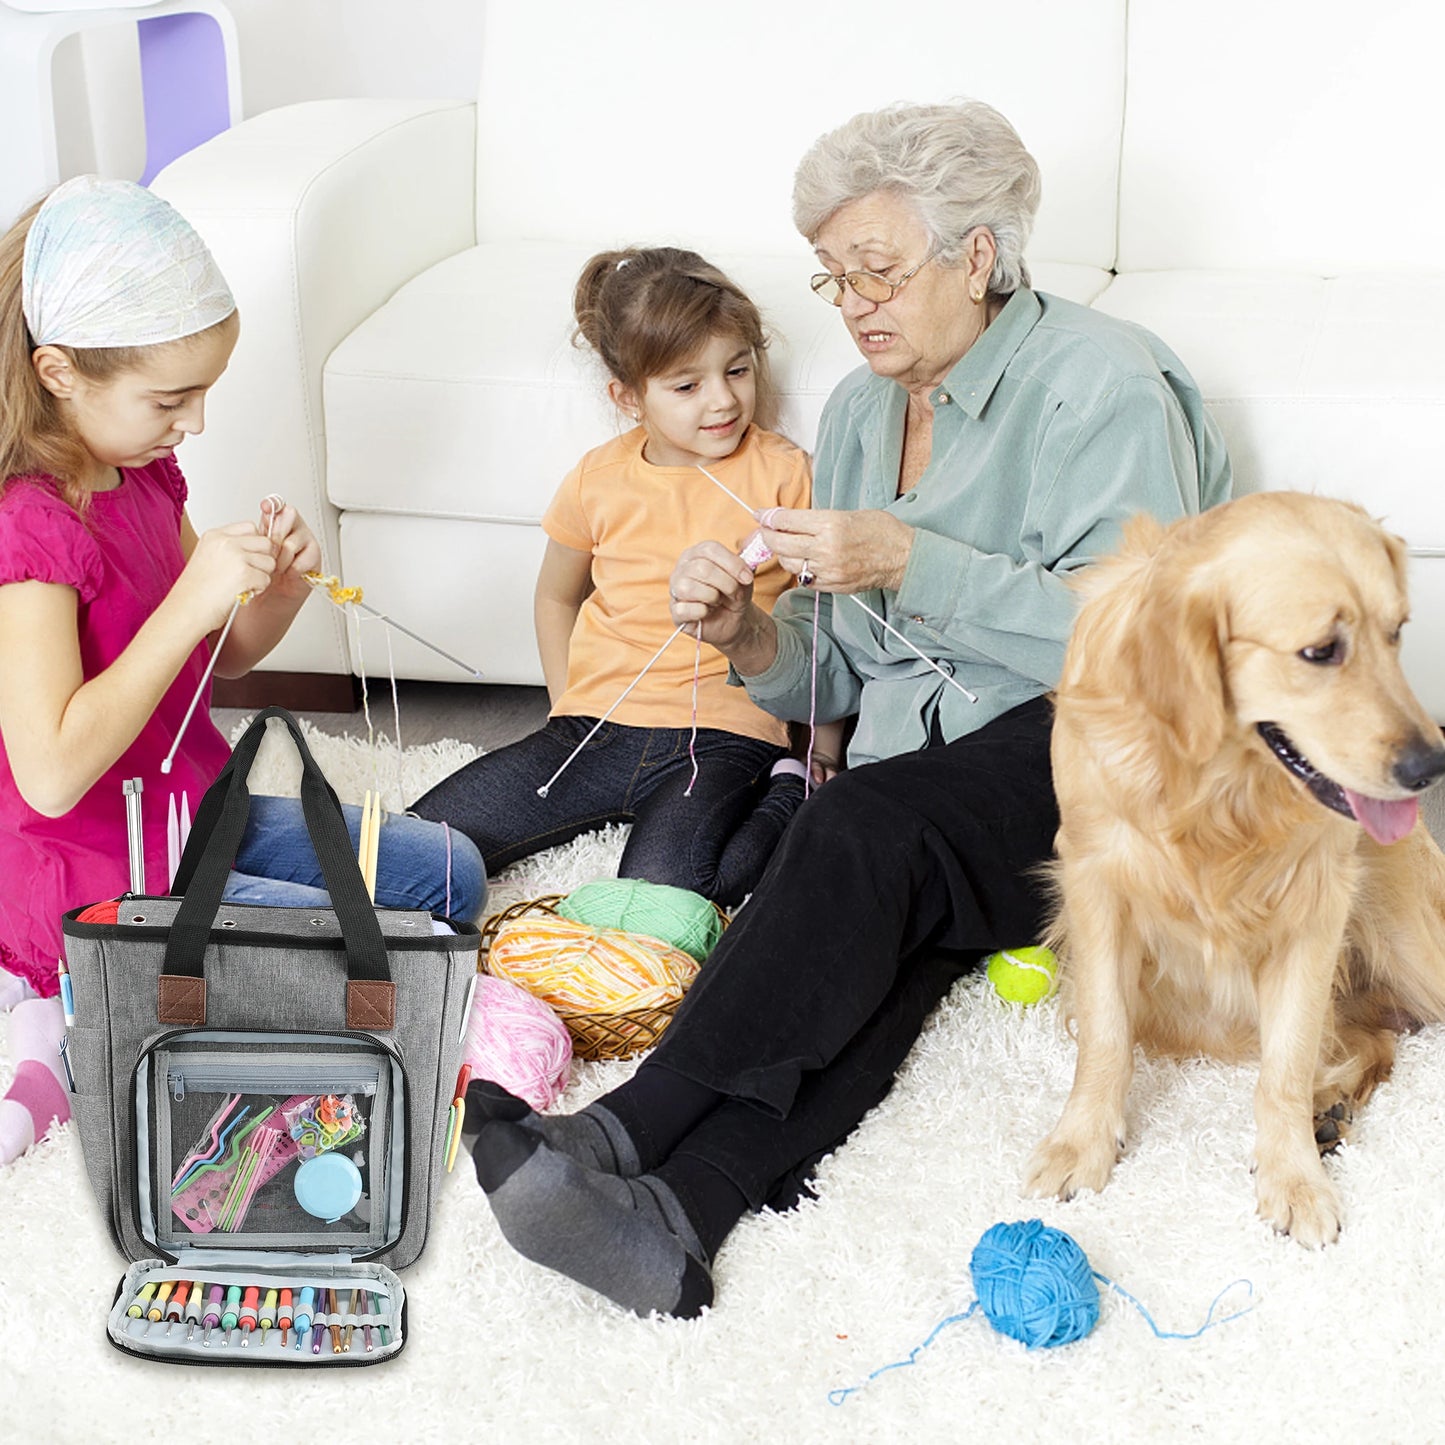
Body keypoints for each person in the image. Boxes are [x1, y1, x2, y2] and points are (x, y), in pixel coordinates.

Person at [465, 100, 1233, 1319]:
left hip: (1097, 736)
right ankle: (680, 1218)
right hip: (925, 781)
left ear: (974, 256)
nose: (855, 303)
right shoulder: (865, 412)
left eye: (876, 270)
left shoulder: (1102, 382)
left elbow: (1148, 640)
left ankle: (618, 1132)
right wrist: (750, 636)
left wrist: (907, 557)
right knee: (867, 936)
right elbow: (837, 665)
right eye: (835, 279)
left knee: (858, 835)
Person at [0, 176, 484, 1165]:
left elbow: (213, 667)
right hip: (94, 872)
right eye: (171, 399)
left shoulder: (141, 475)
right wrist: (190, 598)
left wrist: (275, 592)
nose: (196, 424)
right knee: (399, 971)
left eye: (203, 393)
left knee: (450, 874)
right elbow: (49, 770)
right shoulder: (27, 530)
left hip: (189, 821)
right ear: (58, 371)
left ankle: (93, 1009)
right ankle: (58, 1018)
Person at [413, 247, 841, 906]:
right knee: (416, 844)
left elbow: (830, 612)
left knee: (672, 890)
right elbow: (556, 595)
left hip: (724, 736)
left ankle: (791, 789)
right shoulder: (597, 477)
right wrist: (566, 706)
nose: (723, 399)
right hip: (594, 725)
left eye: (737, 369)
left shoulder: (786, 473)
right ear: (627, 396)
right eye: (686, 385)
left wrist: (822, 746)